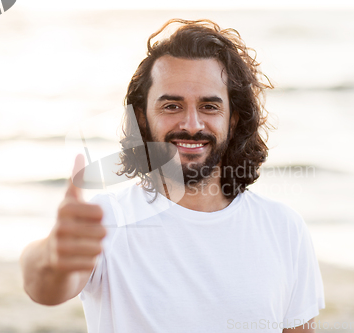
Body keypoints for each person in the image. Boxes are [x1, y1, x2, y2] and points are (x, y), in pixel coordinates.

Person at [20, 19, 325, 332]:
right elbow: (43, 287)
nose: (192, 124)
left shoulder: (283, 228)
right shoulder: (109, 220)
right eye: (171, 106)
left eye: (209, 106)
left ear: (233, 120)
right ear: (142, 117)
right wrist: (51, 255)